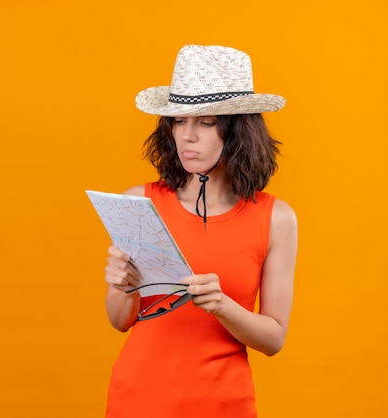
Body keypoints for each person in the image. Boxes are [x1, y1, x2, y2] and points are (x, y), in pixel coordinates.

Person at [103, 45, 298, 418]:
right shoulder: (138, 203)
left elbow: (274, 339)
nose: (187, 136)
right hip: (137, 400)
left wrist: (222, 306)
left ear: (237, 131)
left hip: (225, 405)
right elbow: (119, 321)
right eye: (178, 121)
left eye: (206, 123)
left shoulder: (277, 219)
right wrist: (123, 285)